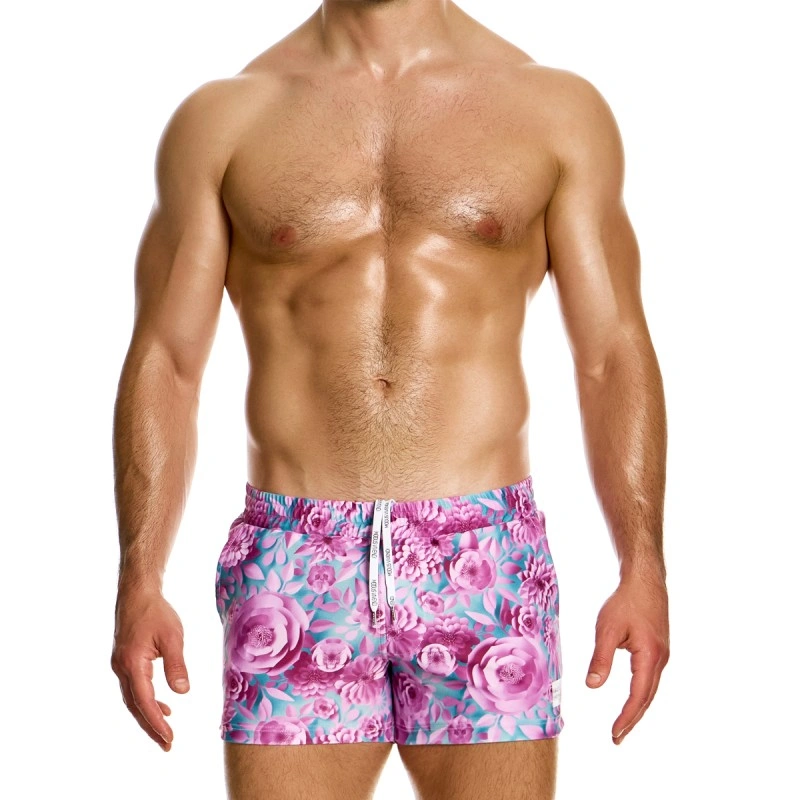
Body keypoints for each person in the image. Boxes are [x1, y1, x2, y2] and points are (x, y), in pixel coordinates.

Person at [110, 1, 670, 798]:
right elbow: (167, 359)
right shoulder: (225, 120)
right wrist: (140, 576)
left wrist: (643, 565)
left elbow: (611, 353)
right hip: (296, 554)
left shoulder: (552, 110)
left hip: (483, 553)